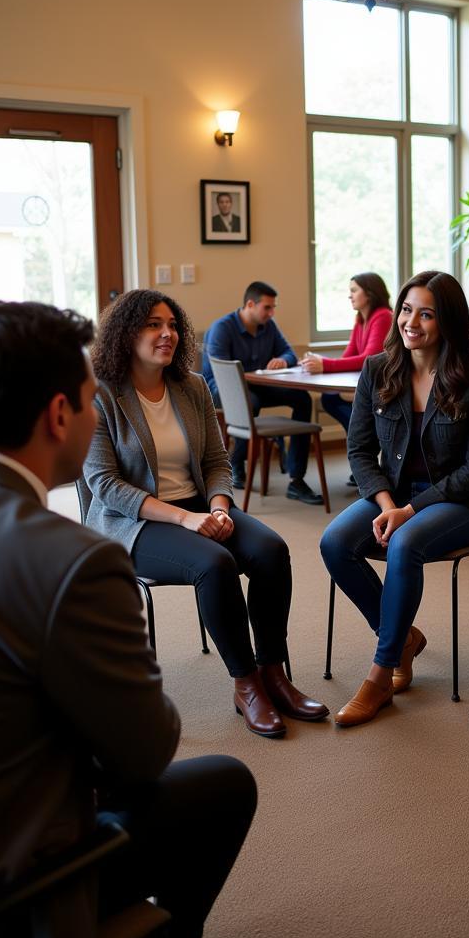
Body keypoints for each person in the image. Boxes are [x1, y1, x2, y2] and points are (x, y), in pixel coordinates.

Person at [0, 301, 256, 938]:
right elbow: (145, 754)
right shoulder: (76, 562)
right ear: (60, 416)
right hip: (4, 884)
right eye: (92, 401)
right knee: (225, 784)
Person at [84, 289, 328, 739]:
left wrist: (218, 506)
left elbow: (217, 462)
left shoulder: (191, 386)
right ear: (124, 335)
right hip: (134, 524)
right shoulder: (101, 396)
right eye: (153, 325)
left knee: (272, 550)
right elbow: (104, 485)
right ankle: (247, 684)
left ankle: (273, 671)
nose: (168, 334)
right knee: (215, 564)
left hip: (200, 507)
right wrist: (185, 520)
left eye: (172, 325)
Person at [320, 271, 469, 727]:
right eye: (406, 309)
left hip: (461, 504)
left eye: (426, 313)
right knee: (335, 542)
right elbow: (360, 450)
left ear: (448, 321)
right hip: (393, 496)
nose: (411, 322)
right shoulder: (379, 369)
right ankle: (402, 639)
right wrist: (387, 505)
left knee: (404, 543)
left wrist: (408, 512)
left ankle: (380, 675)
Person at [202, 280, 323, 505]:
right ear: (250, 304)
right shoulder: (222, 328)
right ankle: (236, 463)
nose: (272, 312)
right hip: (222, 387)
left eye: (273, 307)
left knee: (302, 399)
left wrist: (281, 359)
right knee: (250, 401)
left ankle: (296, 479)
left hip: (257, 384)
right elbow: (223, 372)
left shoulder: (269, 326)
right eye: (267, 307)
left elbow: (288, 353)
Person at [300, 271, 393, 433]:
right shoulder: (361, 320)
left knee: (331, 398)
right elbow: (348, 357)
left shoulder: (383, 316)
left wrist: (324, 364)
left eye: (354, 290)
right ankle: (361, 434)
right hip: (367, 382)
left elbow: (368, 359)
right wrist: (318, 360)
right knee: (329, 397)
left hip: (384, 384)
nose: (349, 296)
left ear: (370, 293)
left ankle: (363, 434)